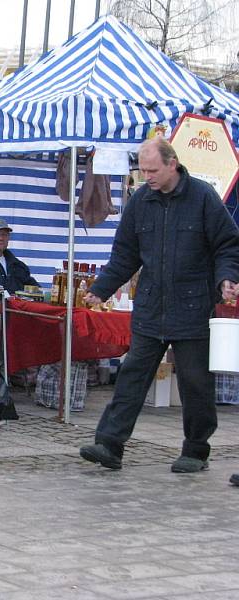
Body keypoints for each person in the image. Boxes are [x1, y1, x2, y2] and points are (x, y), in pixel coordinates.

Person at [79, 137, 239, 474]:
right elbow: (125, 254)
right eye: (144, 169)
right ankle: (109, 444)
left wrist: (226, 276)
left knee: (195, 382)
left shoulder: (203, 198)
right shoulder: (140, 202)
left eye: (153, 169)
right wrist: (102, 288)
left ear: (172, 163)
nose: (147, 175)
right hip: (151, 306)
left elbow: (227, 244)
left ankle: (196, 450)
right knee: (132, 375)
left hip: (193, 307)